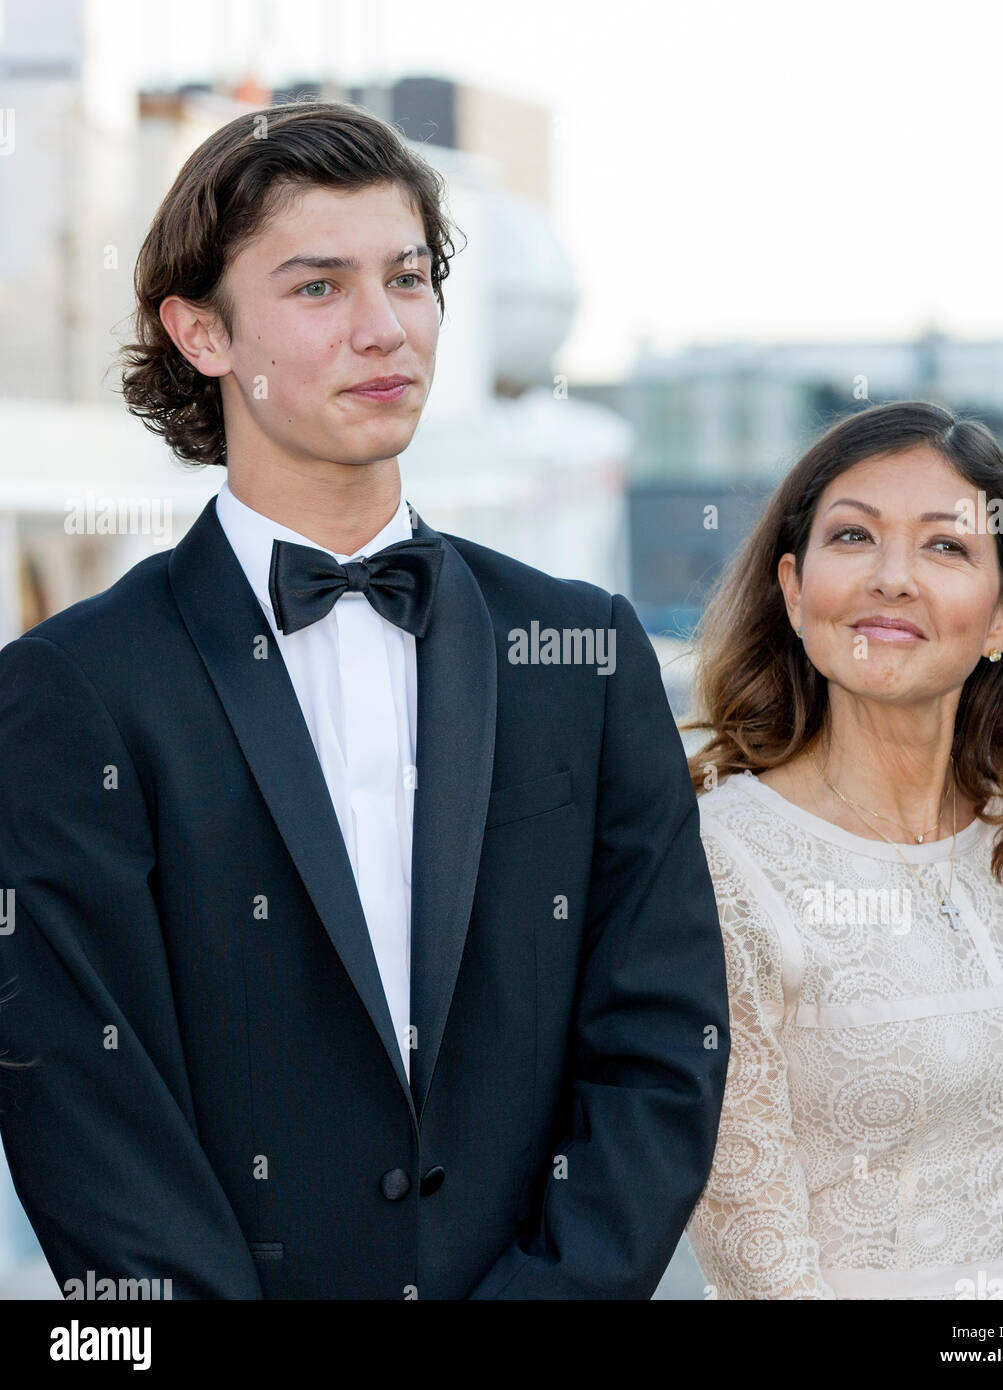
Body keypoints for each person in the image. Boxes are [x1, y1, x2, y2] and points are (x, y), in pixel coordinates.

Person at [0, 100, 729, 1300]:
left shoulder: (581, 650)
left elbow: (662, 1038)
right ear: (201, 334)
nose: (387, 327)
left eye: (407, 277)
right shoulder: (73, 686)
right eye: (319, 287)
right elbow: (81, 1094)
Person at [680, 400, 1003, 1299]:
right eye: (852, 538)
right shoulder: (720, 862)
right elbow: (755, 1255)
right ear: (794, 590)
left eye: (945, 547)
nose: (892, 579)